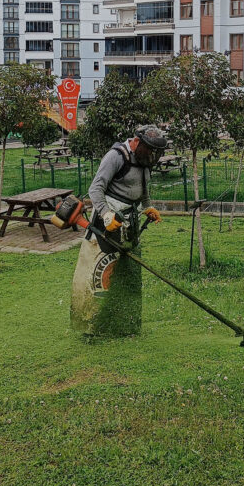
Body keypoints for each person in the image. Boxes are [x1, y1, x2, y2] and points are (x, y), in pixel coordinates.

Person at [71, 125, 167, 338]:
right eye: (150, 149)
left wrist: (147, 207)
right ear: (136, 142)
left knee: (128, 272)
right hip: (107, 224)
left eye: (156, 152)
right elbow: (95, 188)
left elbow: (143, 191)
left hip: (130, 224)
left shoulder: (144, 161)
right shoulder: (116, 156)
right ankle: (92, 327)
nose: (153, 155)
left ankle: (126, 324)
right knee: (101, 274)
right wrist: (105, 214)